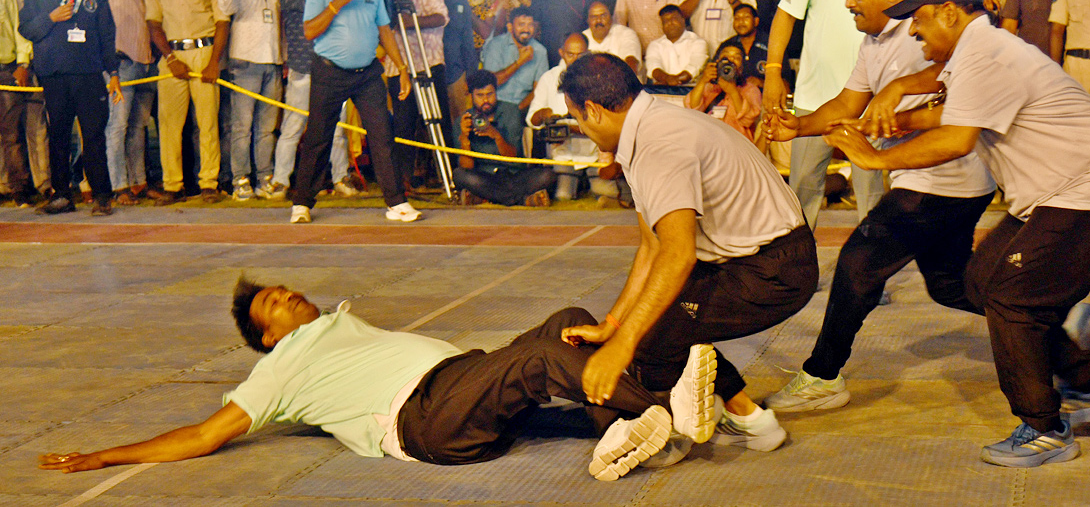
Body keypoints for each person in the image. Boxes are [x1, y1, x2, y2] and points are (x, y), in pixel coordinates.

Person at [825, 0, 1090, 468]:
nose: (913, 31)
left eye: (919, 20)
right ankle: (1087, 382)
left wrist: (875, 157)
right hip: (1060, 191)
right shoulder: (977, 51)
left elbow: (955, 139)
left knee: (1008, 295)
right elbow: (946, 113)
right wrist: (882, 119)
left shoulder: (988, 53)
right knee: (978, 281)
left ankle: (1045, 428)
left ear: (950, 12)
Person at [38, 276, 718, 482]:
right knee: (538, 362)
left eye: (279, 287)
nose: (285, 294)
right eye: (271, 305)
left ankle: (625, 427)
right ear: (268, 336)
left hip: (459, 377)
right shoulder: (279, 365)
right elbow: (207, 433)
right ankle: (664, 407)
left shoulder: (331, 323)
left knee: (566, 320)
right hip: (424, 416)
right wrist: (105, 453)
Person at [759, 0, 995, 413]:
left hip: (943, 178)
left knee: (857, 263)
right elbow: (848, 105)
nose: (848, 3)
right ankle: (1056, 322)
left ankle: (822, 375)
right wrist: (797, 125)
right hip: (943, 181)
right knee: (950, 285)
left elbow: (958, 79)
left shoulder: (923, 30)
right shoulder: (874, 42)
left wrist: (902, 93)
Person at [557, 52, 818, 453]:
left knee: (651, 337)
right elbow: (652, 246)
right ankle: (751, 418)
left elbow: (678, 257)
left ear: (591, 110)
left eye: (575, 117)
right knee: (658, 318)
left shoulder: (659, 144)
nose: (580, 127)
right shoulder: (652, 124)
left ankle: (664, 441)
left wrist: (622, 346)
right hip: (751, 259)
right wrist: (613, 324)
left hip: (776, 269)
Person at [764, 0, 921, 228]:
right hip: (816, 98)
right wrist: (773, 72)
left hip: (874, 106)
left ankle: (871, 273)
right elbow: (786, 14)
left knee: (872, 196)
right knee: (802, 190)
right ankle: (798, 272)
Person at [290, 0, 420, 225]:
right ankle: (302, 203)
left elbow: (384, 29)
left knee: (383, 135)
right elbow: (309, 31)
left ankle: (397, 203)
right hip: (329, 71)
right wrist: (336, 3)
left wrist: (401, 68)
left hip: (368, 73)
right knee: (318, 137)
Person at [18, 0, 121, 216]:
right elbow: (26, 28)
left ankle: (102, 196)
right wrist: (50, 18)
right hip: (54, 75)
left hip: (89, 75)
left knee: (94, 136)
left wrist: (112, 72)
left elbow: (106, 35)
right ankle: (62, 195)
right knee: (59, 136)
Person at [145, 0, 229, 205]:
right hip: (172, 56)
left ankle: (209, 183)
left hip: (205, 51)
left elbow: (222, 21)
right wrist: (169, 57)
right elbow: (154, 23)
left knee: (207, 123)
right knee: (169, 124)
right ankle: (173, 184)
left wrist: (214, 61)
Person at [263, 0, 354, 201]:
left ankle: (340, 177)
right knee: (292, 127)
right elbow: (316, 8)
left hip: (333, 68)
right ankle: (281, 180)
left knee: (337, 129)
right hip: (303, 68)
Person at [93, 0, 157, 206]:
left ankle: (138, 183)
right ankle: (117, 186)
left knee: (137, 128)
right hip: (120, 62)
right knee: (116, 127)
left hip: (145, 61)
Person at [217, 0, 283, 201]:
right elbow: (225, 8)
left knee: (266, 128)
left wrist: (283, 58)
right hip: (245, 61)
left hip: (272, 61)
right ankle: (239, 179)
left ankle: (264, 177)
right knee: (241, 127)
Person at [389, 0, 450, 192]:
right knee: (403, 124)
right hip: (399, 65)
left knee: (437, 121)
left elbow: (441, 17)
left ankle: (446, 177)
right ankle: (402, 180)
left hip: (430, 60)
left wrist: (409, 23)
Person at [454, 69, 557, 206]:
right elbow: (467, 167)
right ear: (471, 96)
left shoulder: (511, 111)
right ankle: (524, 200)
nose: (486, 100)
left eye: (490, 94)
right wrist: (465, 138)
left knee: (547, 175)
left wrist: (496, 136)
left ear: (496, 92)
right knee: (459, 175)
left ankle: (485, 198)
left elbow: (513, 158)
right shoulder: (463, 120)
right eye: (480, 95)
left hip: (514, 174)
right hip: (485, 176)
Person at [527, 34, 609, 202]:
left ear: (589, 53)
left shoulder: (600, 79)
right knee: (563, 196)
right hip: (564, 156)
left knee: (605, 194)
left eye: (581, 55)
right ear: (561, 53)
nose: (575, 60)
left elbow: (606, 124)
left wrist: (571, 128)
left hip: (594, 155)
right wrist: (544, 115)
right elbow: (532, 120)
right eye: (571, 55)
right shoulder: (549, 78)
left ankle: (591, 186)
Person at [0, 0, 37, 207]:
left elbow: (18, 29)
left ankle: (18, 188)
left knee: (12, 134)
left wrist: (23, 64)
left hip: (6, 69)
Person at [432, 0, 480, 124]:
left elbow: (467, 39)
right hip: (428, 73)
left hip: (455, 73)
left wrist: (471, 75)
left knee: (459, 123)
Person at [685, 42, 763, 141]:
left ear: (742, 67)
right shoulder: (710, 87)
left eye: (736, 58)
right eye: (726, 57)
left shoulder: (750, 89)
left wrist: (733, 91)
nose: (731, 61)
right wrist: (703, 80)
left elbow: (747, 119)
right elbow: (692, 109)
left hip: (737, 144)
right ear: (718, 61)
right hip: (708, 140)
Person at [480, 6, 548, 113]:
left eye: (530, 25)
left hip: (522, 108)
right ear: (510, 27)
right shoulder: (495, 45)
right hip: (495, 107)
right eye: (521, 25)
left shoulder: (540, 51)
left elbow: (538, 90)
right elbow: (490, 83)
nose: (526, 30)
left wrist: (517, 111)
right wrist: (520, 62)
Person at [645, 5, 707, 86]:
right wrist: (669, 80)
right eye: (665, 21)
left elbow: (694, 67)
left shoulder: (698, 43)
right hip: (662, 92)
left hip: (691, 91)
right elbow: (653, 68)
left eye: (674, 19)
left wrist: (673, 81)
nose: (670, 23)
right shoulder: (655, 45)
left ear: (683, 20)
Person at [716, 4, 768, 87]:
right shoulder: (726, 46)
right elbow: (714, 76)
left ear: (756, 21)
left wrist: (761, 83)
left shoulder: (770, 45)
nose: (741, 22)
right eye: (737, 18)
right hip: (731, 96)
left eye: (746, 17)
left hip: (764, 97)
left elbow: (786, 83)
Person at [583, 0, 640, 71]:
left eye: (603, 15)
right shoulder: (581, 38)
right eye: (594, 17)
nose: (599, 21)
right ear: (588, 20)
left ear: (611, 18)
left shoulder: (626, 34)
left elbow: (632, 63)